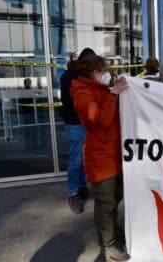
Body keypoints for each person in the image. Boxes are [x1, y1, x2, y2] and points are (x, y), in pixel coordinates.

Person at [69, 53, 129, 261]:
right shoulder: (82, 94)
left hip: (115, 154)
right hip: (101, 158)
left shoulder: (99, 86)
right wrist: (113, 93)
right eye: (103, 70)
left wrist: (117, 86)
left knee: (116, 196)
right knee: (105, 202)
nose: (106, 74)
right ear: (94, 73)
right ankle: (109, 245)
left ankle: (112, 230)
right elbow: (102, 119)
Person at [60, 48, 95, 214]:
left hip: (85, 122)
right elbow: (69, 101)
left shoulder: (85, 75)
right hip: (75, 123)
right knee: (76, 159)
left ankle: (81, 186)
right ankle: (73, 193)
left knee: (82, 157)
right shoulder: (69, 77)